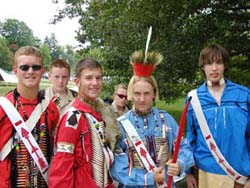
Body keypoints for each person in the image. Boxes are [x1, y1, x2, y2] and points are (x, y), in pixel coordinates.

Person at [110, 50, 194, 188]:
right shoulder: (122, 125)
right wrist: (148, 179)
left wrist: (179, 163)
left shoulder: (166, 120)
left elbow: (185, 147)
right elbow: (118, 168)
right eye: (137, 93)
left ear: (154, 94)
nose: (141, 99)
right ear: (131, 93)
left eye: (147, 93)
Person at [186, 44, 250, 188]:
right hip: (206, 172)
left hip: (239, 174)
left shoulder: (244, 95)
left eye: (219, 62)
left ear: (225, 65)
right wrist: (188, 173)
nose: (214, 68)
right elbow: (191, 139)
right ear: (202, 66)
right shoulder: (193, 99)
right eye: (209, 63)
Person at [48, 58, 117, 188]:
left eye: (98, 78)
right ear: (77, 82)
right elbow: (61, 169)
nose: (95, 83)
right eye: (89, 78)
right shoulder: (72, 119)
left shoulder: (98, 114)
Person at [0, 46, 59, 188]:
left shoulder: (51, 108)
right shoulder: (3, 107)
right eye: (24, 67)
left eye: (36, 67)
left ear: (43, 71)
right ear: (15, 71)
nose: (30, 72)